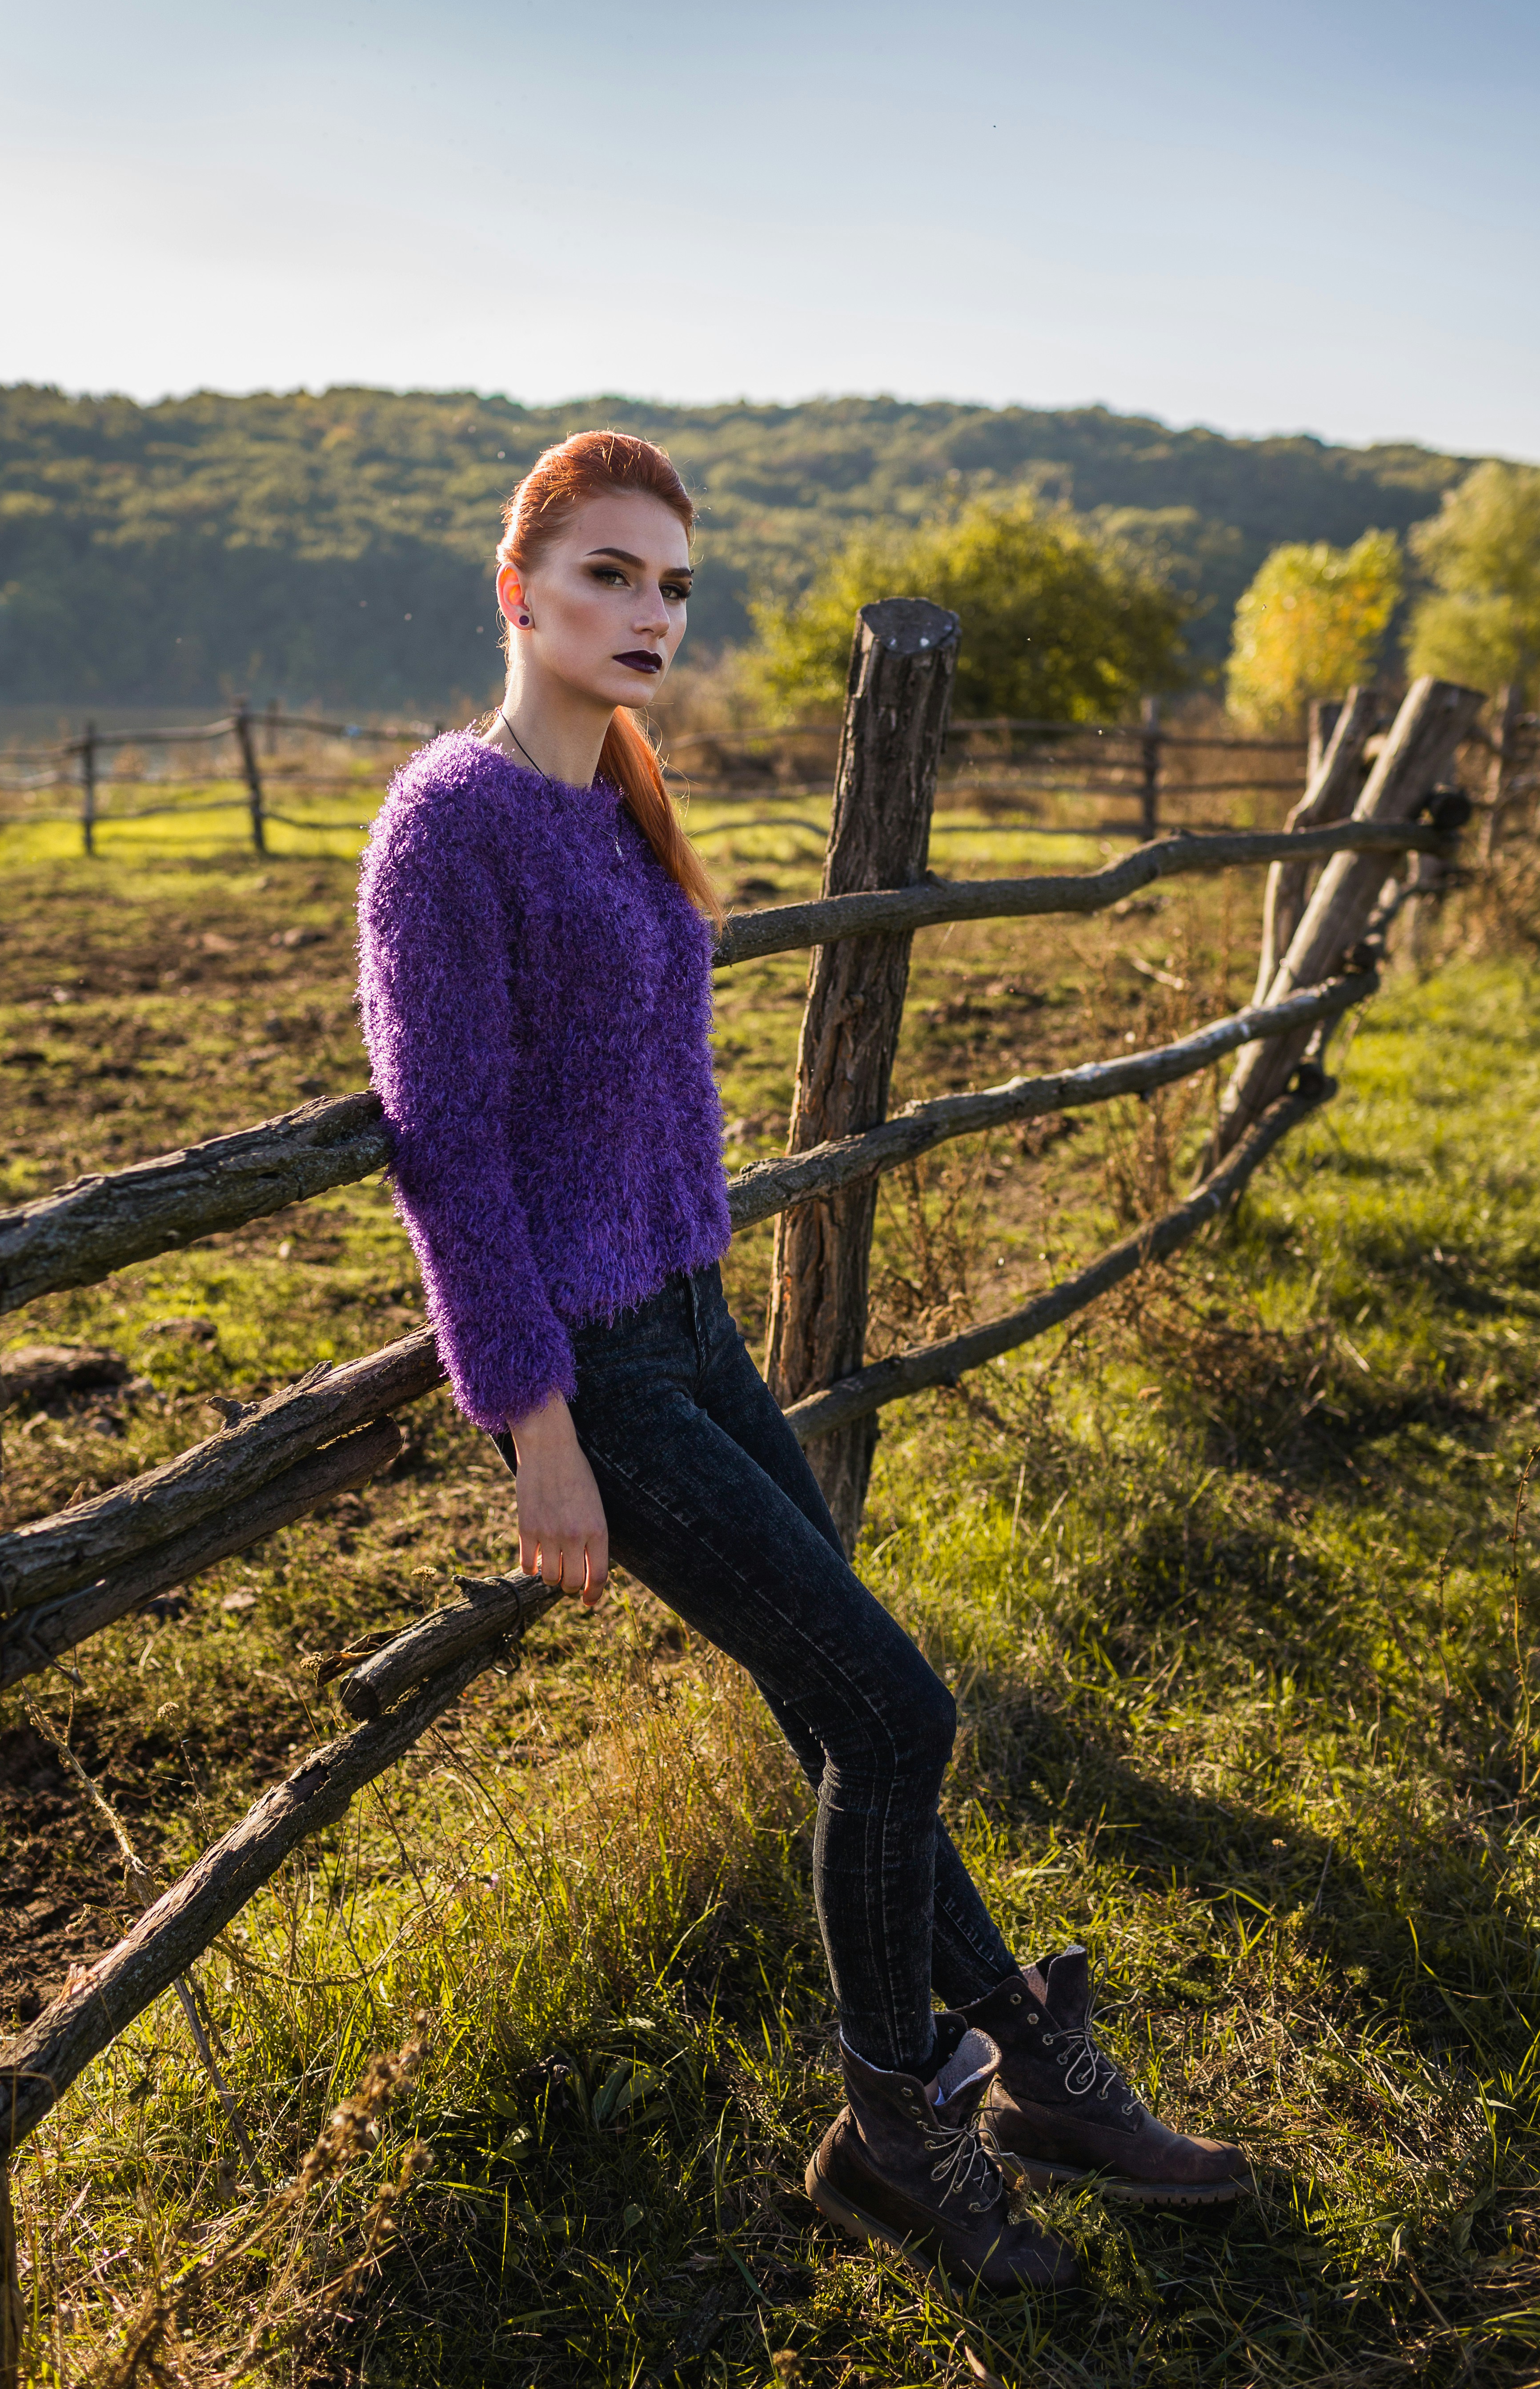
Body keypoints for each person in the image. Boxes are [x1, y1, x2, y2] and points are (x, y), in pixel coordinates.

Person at [356, 430, 1246, 2293]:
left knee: (848, 1705)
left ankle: (1030, 2060)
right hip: (600, 1370)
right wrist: (534, 1430)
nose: (649, 613)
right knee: (898, 1714)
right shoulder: (449, 823)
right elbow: (441, 1144)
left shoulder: (620, 800)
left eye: (673, 584)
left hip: (692, 1325)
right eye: (608, 573)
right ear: (516, 589)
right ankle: (897, 2124)